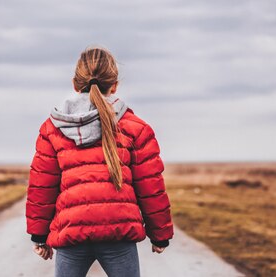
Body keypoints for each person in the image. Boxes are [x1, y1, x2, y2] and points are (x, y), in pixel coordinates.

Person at [25, 45, 174, 277]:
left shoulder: (52, 128)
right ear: (114, 85)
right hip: (119, 235)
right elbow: (150, 186)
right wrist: (160, 235)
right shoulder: (137, 128)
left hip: (70, 234)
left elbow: (42, 186)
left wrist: (39, 236)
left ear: (75, 84)